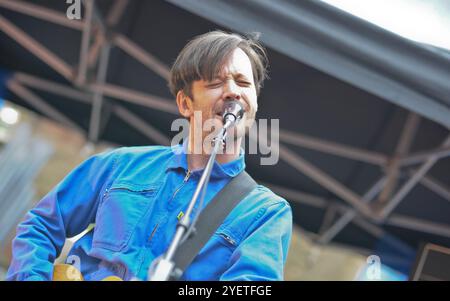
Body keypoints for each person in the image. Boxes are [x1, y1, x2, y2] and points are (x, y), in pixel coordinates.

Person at [6, 30, 293, 281]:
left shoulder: (266, 212)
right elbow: (41, 224)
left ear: (254, 101)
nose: (233, 92)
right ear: (185, 103)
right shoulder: (121, 164)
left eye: (243, 84)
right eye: (217, 82)